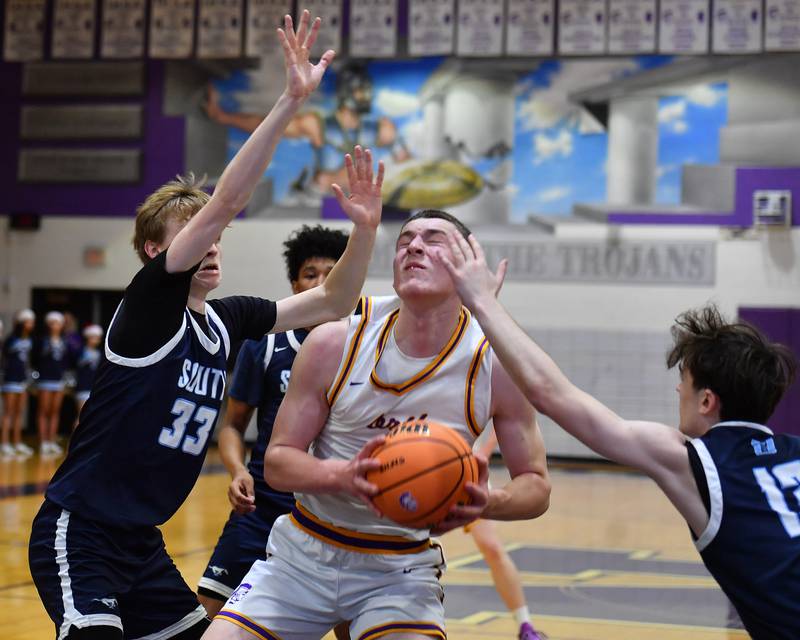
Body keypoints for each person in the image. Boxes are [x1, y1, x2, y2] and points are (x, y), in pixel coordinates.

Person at [29, 11, 383, 640]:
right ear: (155, 253)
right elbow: (226, 201)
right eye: (198, 235)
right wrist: (290, 101)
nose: (214, 242)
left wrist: (366, 229)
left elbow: (334, 301)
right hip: (81, 531)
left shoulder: (227, 320)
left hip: (141, 542)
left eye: (218, 237)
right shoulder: (148, 308)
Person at [434, 230, 799, 640]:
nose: (677, 389)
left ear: (706, 401)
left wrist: (482, 302)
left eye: (684, 380)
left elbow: (551, 394)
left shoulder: (694, 461)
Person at [204, 210, 551, 640]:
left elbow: (536, 485)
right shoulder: (334, 340)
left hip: (400, 568)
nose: (414, 246)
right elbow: (277, 463)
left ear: (468, 263)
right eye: (405, 241)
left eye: (433, 239)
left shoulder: (496, 363)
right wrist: (345, 475)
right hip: (303, 555)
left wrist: (487, 502)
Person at [197, 224, 349, 620]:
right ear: (295, 285)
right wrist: (236, 471)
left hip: (332, 515)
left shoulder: (366, 347)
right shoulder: (265, 345)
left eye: (332, 274)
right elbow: (232, 426)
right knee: (209, 616)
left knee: (351, 625)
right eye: (310, 274)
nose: (321, 283)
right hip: (261, 509)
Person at [205, 63, 409, 199]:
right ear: (347, 91)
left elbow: (406, 166)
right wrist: (223, 117)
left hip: (359, 202)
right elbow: (269, 126)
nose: (366, 96)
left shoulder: (381, 129)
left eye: (367, 91)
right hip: (322, 196)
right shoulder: (318, 125)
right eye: (360, 91)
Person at [465, 428, 546, 640]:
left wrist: (485, 451)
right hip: (419, 469)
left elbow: (497, 420)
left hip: (465, 470)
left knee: (492, 547)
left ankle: (526, 626)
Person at [1, 309, 36, 458]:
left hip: (22, 380)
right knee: (8, 412)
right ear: (21, 323)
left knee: (18, 412)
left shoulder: (29, 340)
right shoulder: (10, 340)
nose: (31, 325)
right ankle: (4, 443)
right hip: (10, 380)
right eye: (28, 322)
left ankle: (17, 442)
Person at [35, 311, 69, 455]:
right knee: (44, 410)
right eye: (53, 323)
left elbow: (67, 360)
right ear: (48, 325)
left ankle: (51, 440)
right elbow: (35, 358)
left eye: (58, 323)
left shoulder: (64, 342)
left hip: (58, 380)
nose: (56, 326)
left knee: (55, 411)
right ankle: (43, 442)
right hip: (45, 379)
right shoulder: (42, 341)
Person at [72, 324, 103, 427]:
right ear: (87, 337)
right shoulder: (80, 351)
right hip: (83, 387)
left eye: (97, 338)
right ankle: (75, 437)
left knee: (93, 417)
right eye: (93, 337)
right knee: (81, 416)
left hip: (94, 388)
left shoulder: (100, 353)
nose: (95, 340)